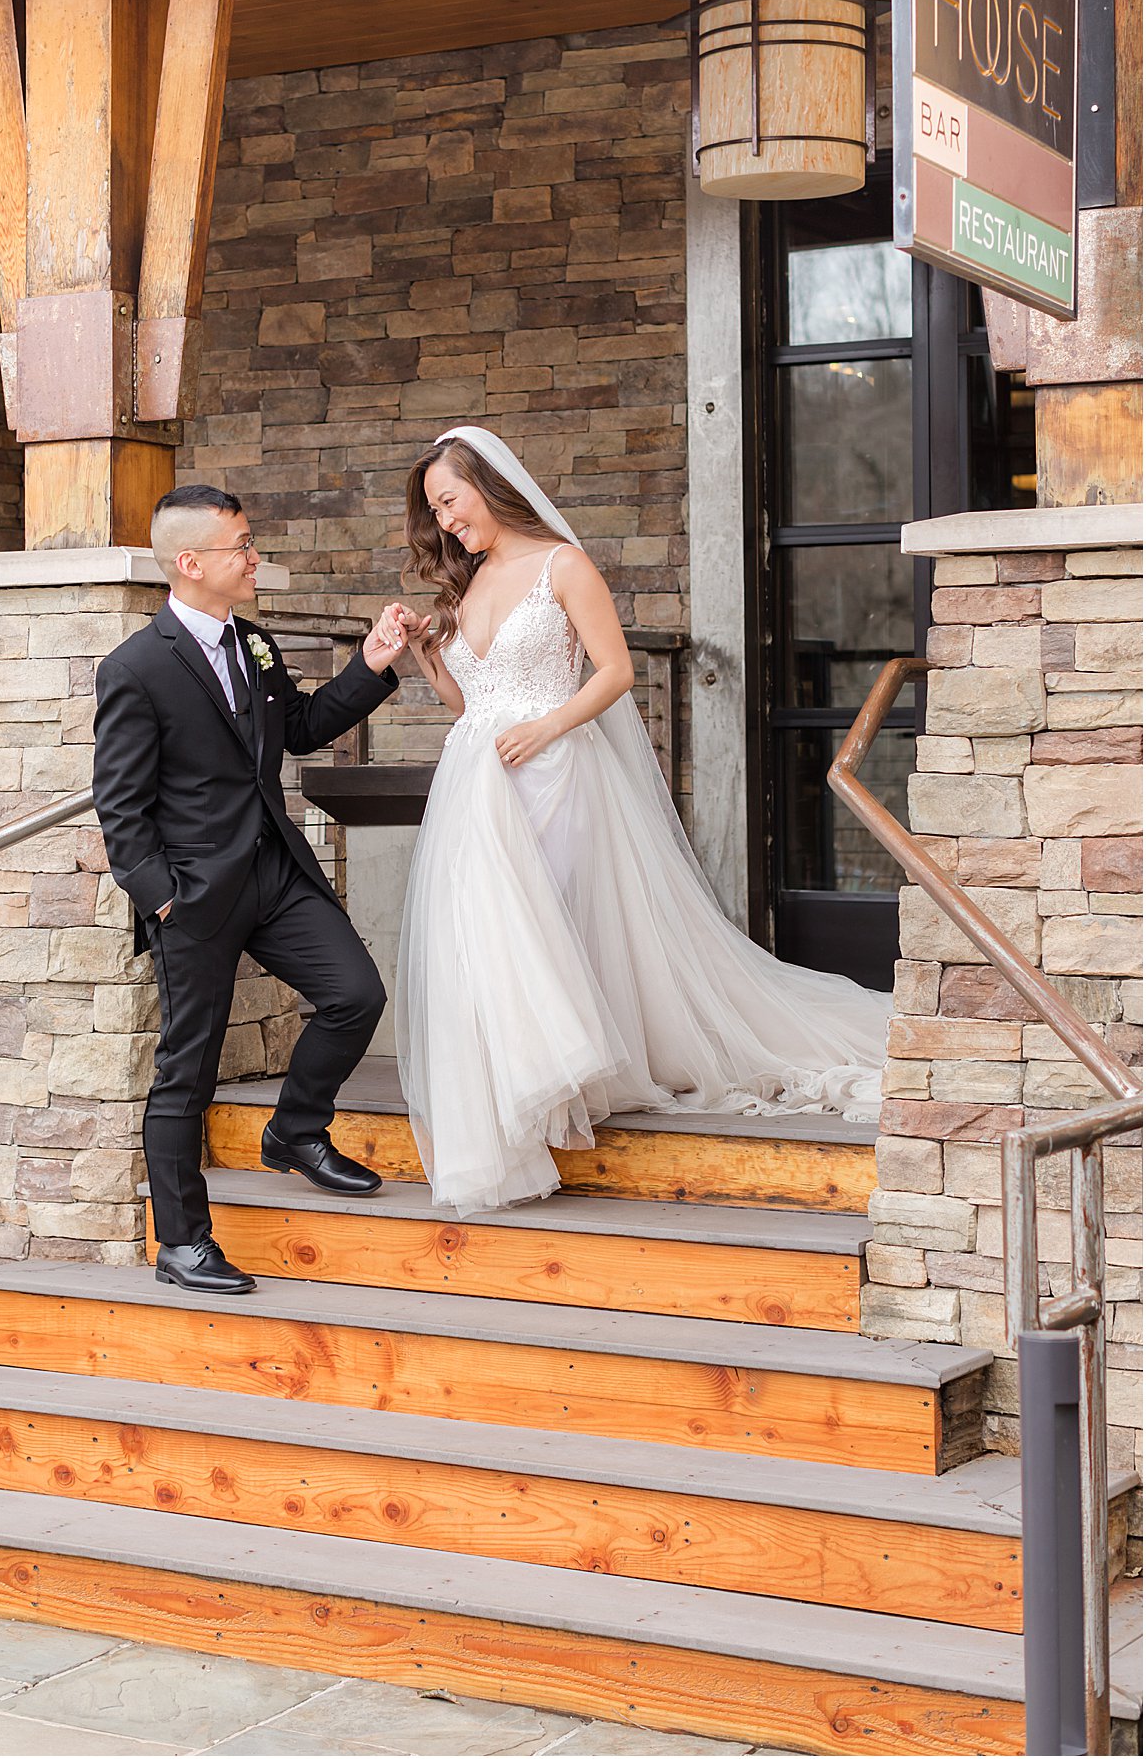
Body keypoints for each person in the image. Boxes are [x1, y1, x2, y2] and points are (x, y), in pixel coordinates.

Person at [394, 426, 889, 1216]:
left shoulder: (562, 564)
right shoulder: (470, 582)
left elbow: (616, 671)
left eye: (449, 502)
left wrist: (550, 726)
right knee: (487, 935)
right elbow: (469, 701)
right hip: (476, 783)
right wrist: (423, 658)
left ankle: (562, 1086)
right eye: (436, 512)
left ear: (487, 483)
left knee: (546, 925)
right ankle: (522, 1095)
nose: (446, 522)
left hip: (551, 772)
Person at [93, 484, 411, 1292]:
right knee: (186, 1071)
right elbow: (121, 804)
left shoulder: (256, 644)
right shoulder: (134, 668)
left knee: (356, 994)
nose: (254, 556)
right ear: (191, 562)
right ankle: (182, 1243)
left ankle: (296, 1129)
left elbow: (298, 729)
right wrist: (163, 897)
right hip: (195, 893)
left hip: (275, 869)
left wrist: (370, 665)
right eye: (242, 544)